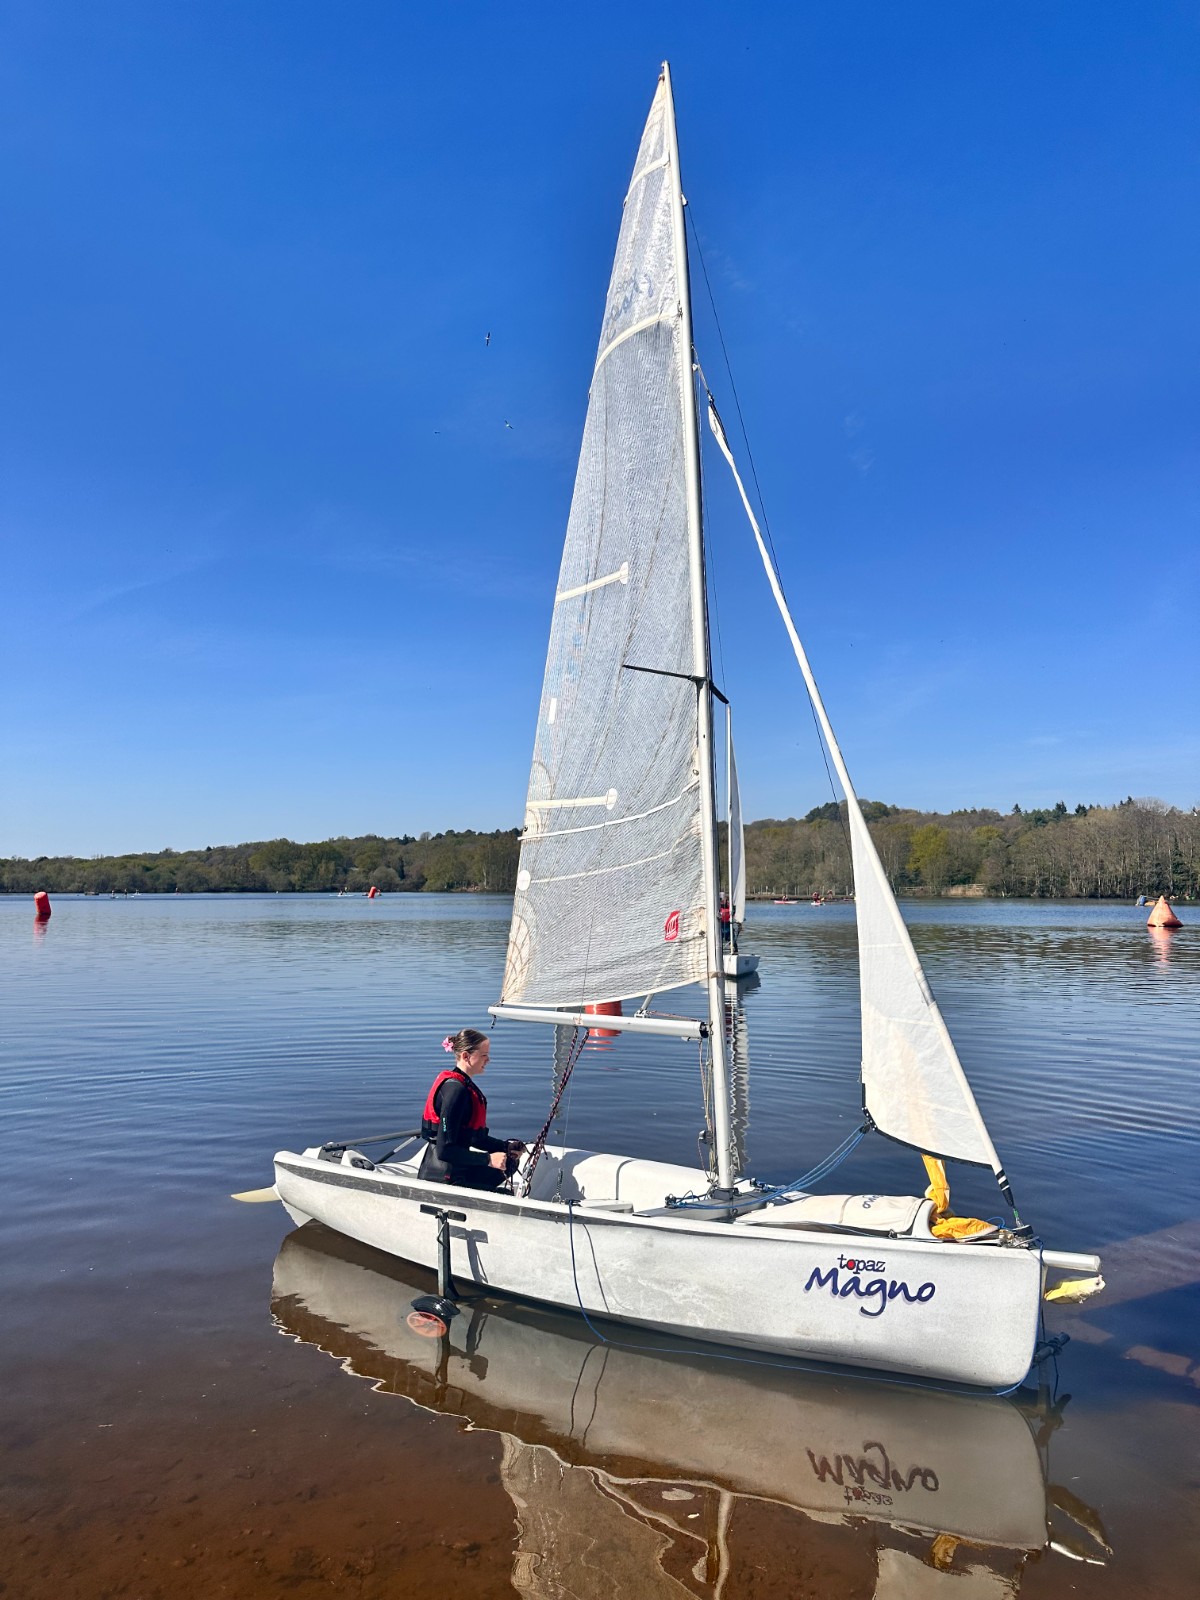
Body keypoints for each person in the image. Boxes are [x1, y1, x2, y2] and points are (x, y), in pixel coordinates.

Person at [418, 1028, 525, 1190]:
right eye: (484, 1055)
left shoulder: (464, 1085)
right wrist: (488, 1160)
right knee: (503, 1181)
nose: (488, 1059)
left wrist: (505, 1147)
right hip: (444, 1176)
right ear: (466, 1056)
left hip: (459, 1166)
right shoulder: (456, 1091)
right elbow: (445, 1150)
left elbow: (474, 1138)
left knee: (510, 1162)